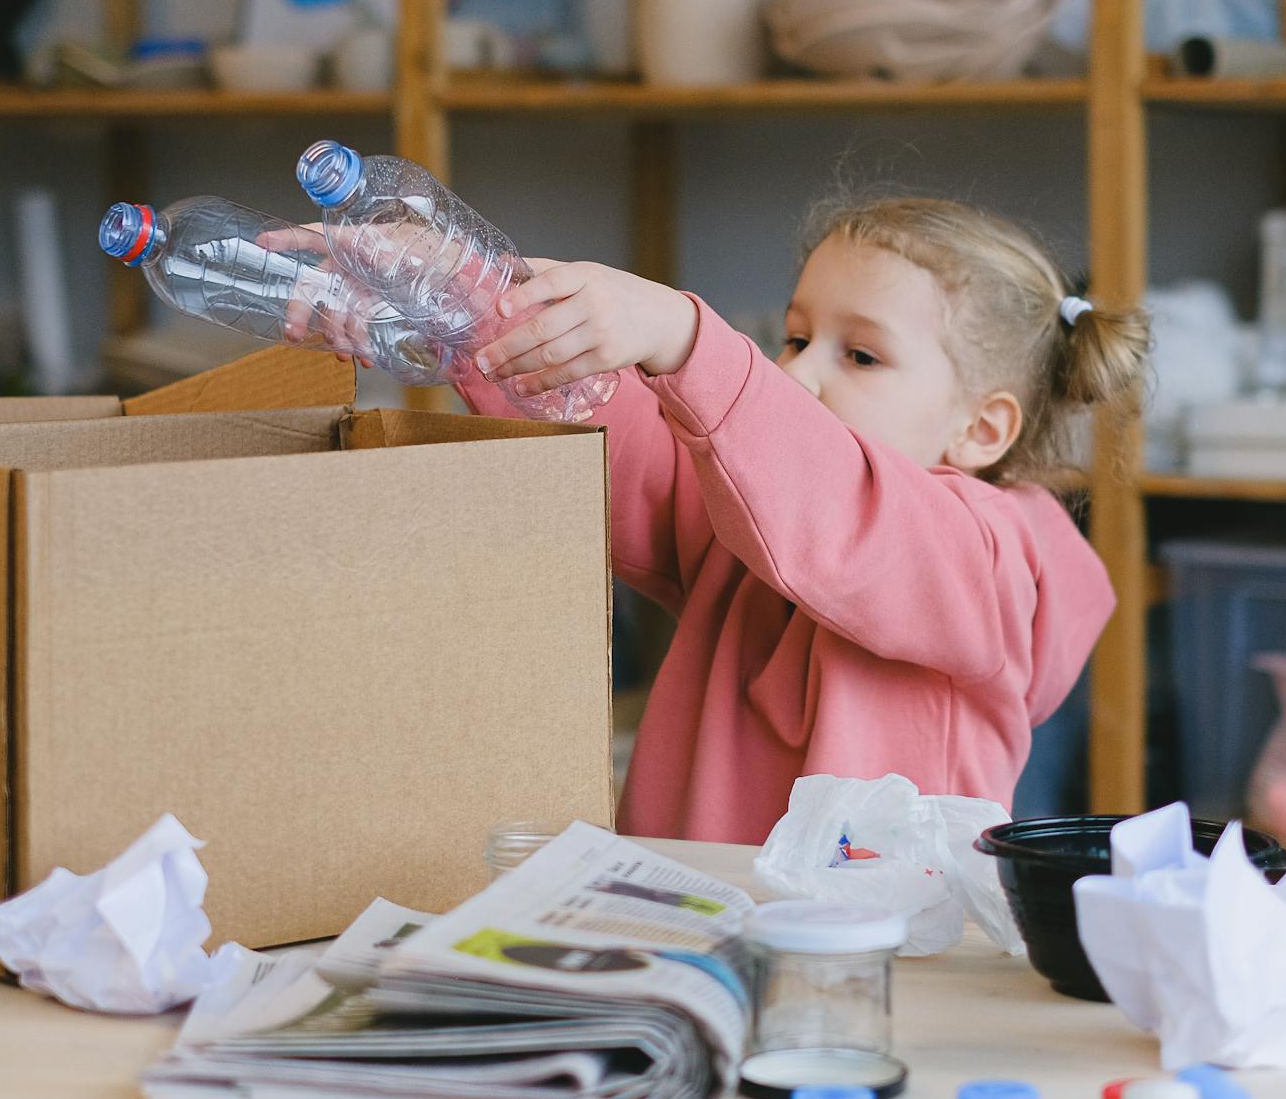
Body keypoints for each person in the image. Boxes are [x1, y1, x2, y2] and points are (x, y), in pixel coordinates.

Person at [465, 194, 1150, 845]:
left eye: (860, 356)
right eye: (795, 340)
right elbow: (622, 441)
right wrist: (465, 300)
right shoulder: (751, 499)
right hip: (700, 928)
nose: (796, 375)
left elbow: (843, 518)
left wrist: (686, 339)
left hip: (888, 950)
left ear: (981, 427)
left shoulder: (988, 558)